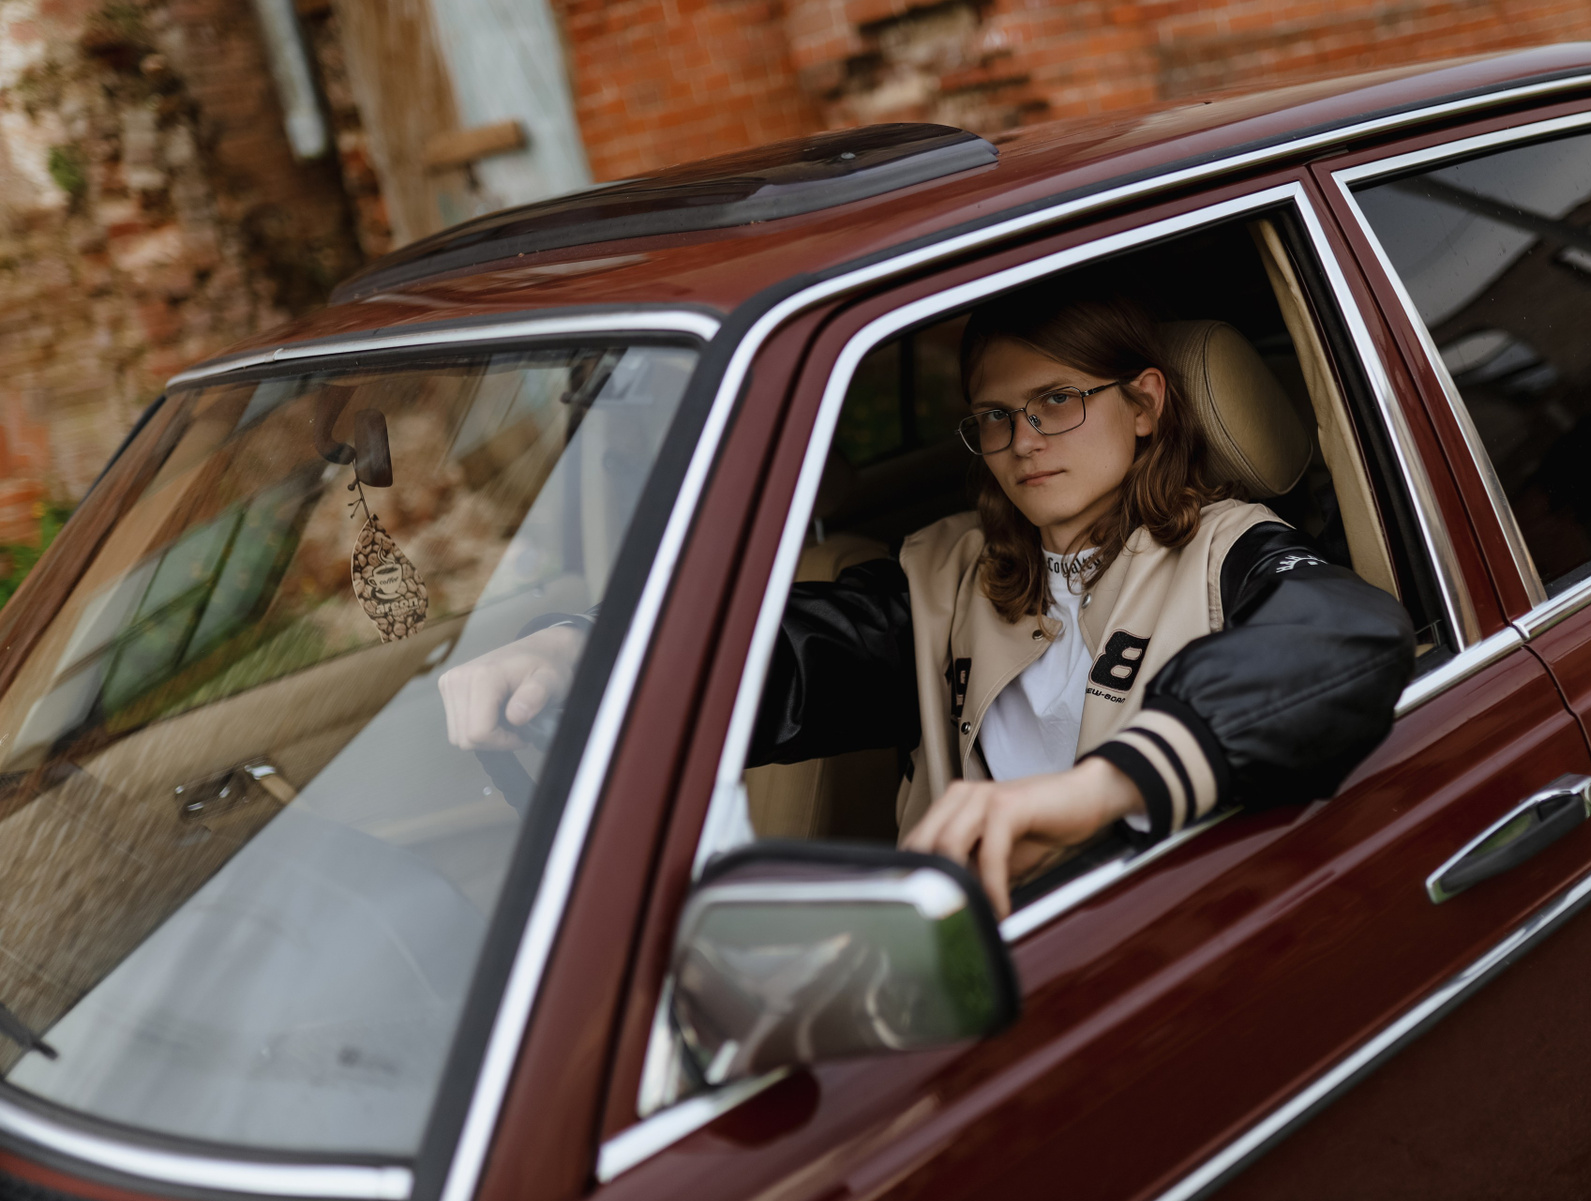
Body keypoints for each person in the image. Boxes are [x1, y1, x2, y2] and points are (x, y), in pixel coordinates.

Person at [440, 291, 1416, 915]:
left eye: (1058, 400)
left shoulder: (1230, 550)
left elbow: (1346, 635)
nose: (1024, 439)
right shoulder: (945, 572)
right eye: (995, 416)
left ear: (1146, 405)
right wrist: (582, 649)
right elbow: (788, 655)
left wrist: (1100, 788)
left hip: (1167, 925)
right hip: (967, 940)